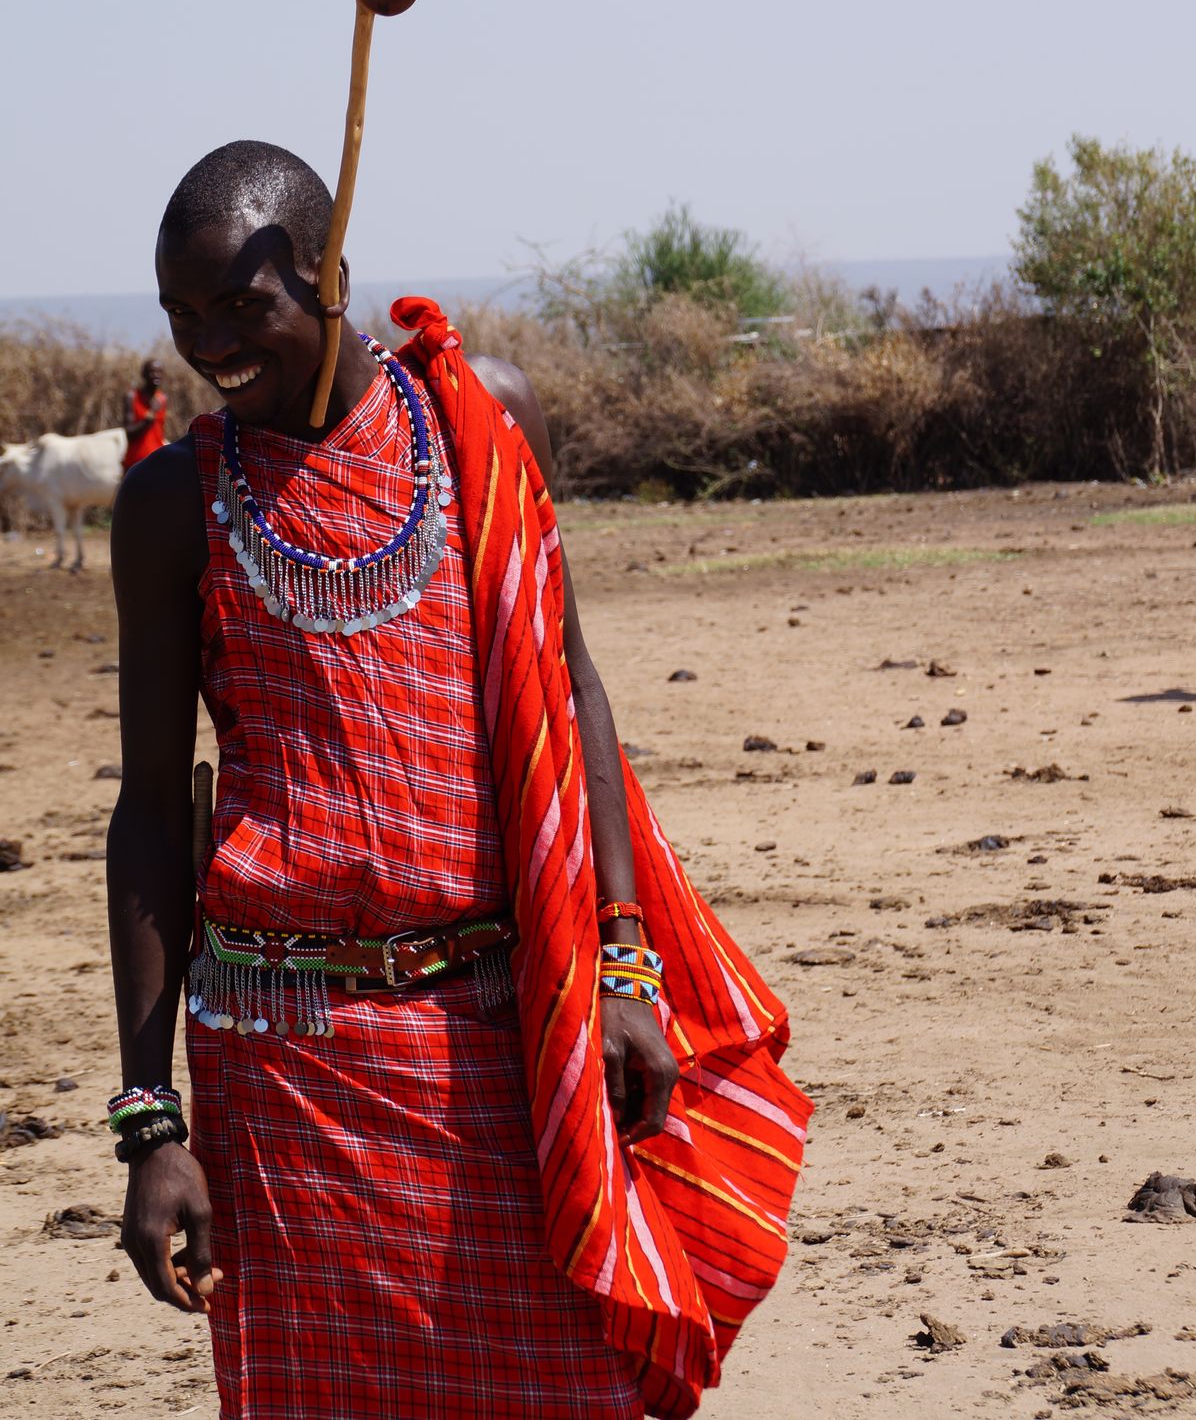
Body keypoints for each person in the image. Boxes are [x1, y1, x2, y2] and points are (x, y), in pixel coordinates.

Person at [106, 140, 809, 1420]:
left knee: (560, 1382)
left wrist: (625, 964)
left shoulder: (481, 424)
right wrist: (153, 1122)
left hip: (499, 1034)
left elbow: (570, 689)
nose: (213, 347)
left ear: (330, 274)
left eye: (243, 306)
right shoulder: (172, 503)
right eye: (182, 314)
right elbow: (152, 809)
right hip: (283, 1071)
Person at [122, 357, 167, 470]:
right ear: (143, 374)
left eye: (159, 372)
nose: (156, 375)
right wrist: (150, 415)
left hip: (158, 461)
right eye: (152, 371)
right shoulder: (132, 397)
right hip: (135, 464)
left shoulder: (162, 398)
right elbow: (129, 434)